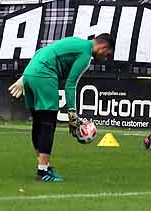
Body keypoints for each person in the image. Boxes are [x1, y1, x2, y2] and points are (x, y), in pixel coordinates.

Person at [8, 33, 115, 181]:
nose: (105, 58)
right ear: (103, 47)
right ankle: (43, 172)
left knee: (38, 123)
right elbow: (71, 84)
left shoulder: (75, 41)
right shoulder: (85, 54)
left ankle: (43, 165)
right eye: (107, 54)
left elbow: (41, 52)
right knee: (48, 124)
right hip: (44, 74)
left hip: (30, 72)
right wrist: (72, 114)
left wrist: (26, 76)